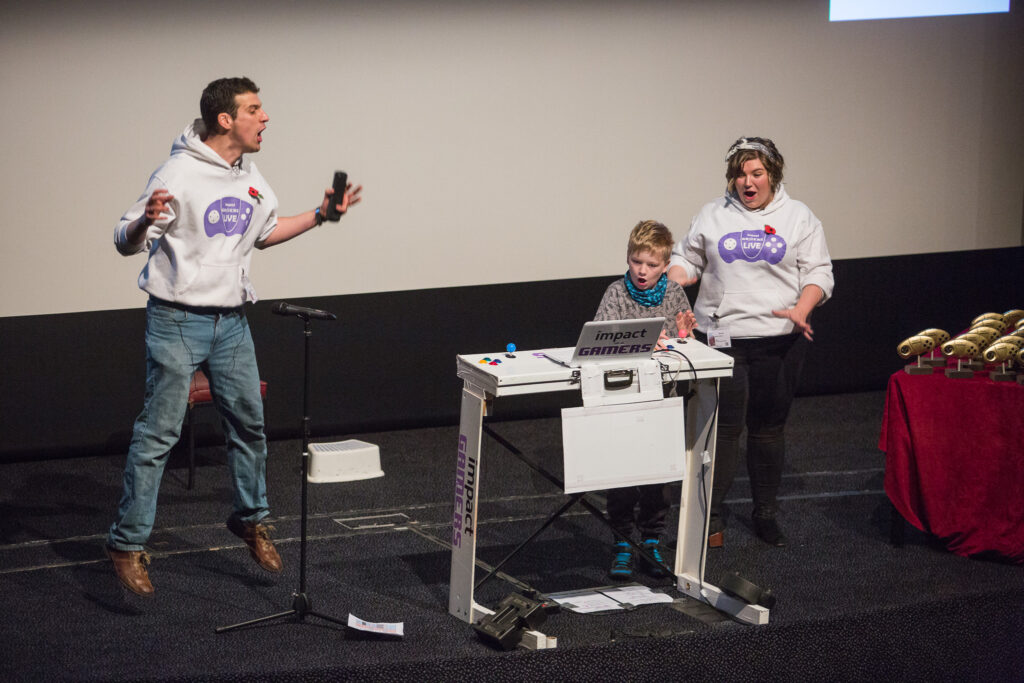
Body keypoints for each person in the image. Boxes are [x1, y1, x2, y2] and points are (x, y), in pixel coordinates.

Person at [107, 77, 363, 596]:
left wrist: (321, 216)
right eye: (255, 109)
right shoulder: (178, 172)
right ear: (226, 119)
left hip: (231, 323)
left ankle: (250, 520)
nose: (265, 118)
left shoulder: (248, 174)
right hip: (177, 319)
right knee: (158, 435)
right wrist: (144, 225)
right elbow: (123, 238)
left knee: (249, 426)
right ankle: (126, 542)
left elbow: (265, 234)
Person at [667, 136, 833, 548]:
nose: (747, 181)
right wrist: (675, 276)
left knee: (768, 430)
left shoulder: (799, 217)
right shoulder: (712, 214)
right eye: (740, 173)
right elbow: (687, 258)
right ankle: (712, 521)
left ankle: (765, 515)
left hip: (780, 342)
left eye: (756, 172)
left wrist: (802, 308)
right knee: (723, 430)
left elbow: (819, 273)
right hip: (723, 339)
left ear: (772, 174)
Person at [593, 219, 697, 580]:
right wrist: (639, 340)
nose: (642, 270)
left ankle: (651, 541)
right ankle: (623, 541)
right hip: (622, 398)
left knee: (658, 475)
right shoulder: (616, 293)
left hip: (661, 399)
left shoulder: (673, 294)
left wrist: (683, 334)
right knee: (622, 473)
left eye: (652, 264)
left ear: (665, 266)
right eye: (637, 261)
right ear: (628, 258)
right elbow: (599, 340)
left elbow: (683, 340)